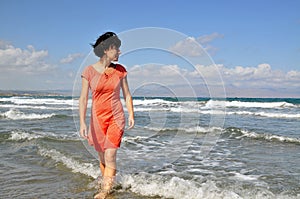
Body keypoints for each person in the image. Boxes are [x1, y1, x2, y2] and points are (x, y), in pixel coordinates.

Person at [79, 31, 134, 199]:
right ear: (106, 49)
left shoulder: (120, 71)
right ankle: (108, 183)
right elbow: (83, 98)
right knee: (102, 155)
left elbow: (127, 95)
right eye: (117, 49)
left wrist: (131, 114)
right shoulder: (88, 71)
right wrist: (82, 122)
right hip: (97, 119)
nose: (119, 52)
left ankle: (105, 191)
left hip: (116, 117)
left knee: (110, 154)